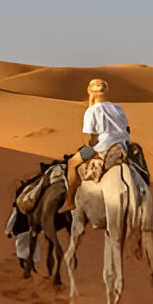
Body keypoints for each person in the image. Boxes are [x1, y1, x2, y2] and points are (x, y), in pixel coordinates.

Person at [57, 78, 131, 213]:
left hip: (103, 148)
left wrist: (89, 147)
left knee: (72, 163)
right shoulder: (117, 107)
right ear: (106, 90)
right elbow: (127, 129)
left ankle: (70, 202)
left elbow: (89, 138)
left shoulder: (91, 111)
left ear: (89, 92)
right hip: (123, 146)